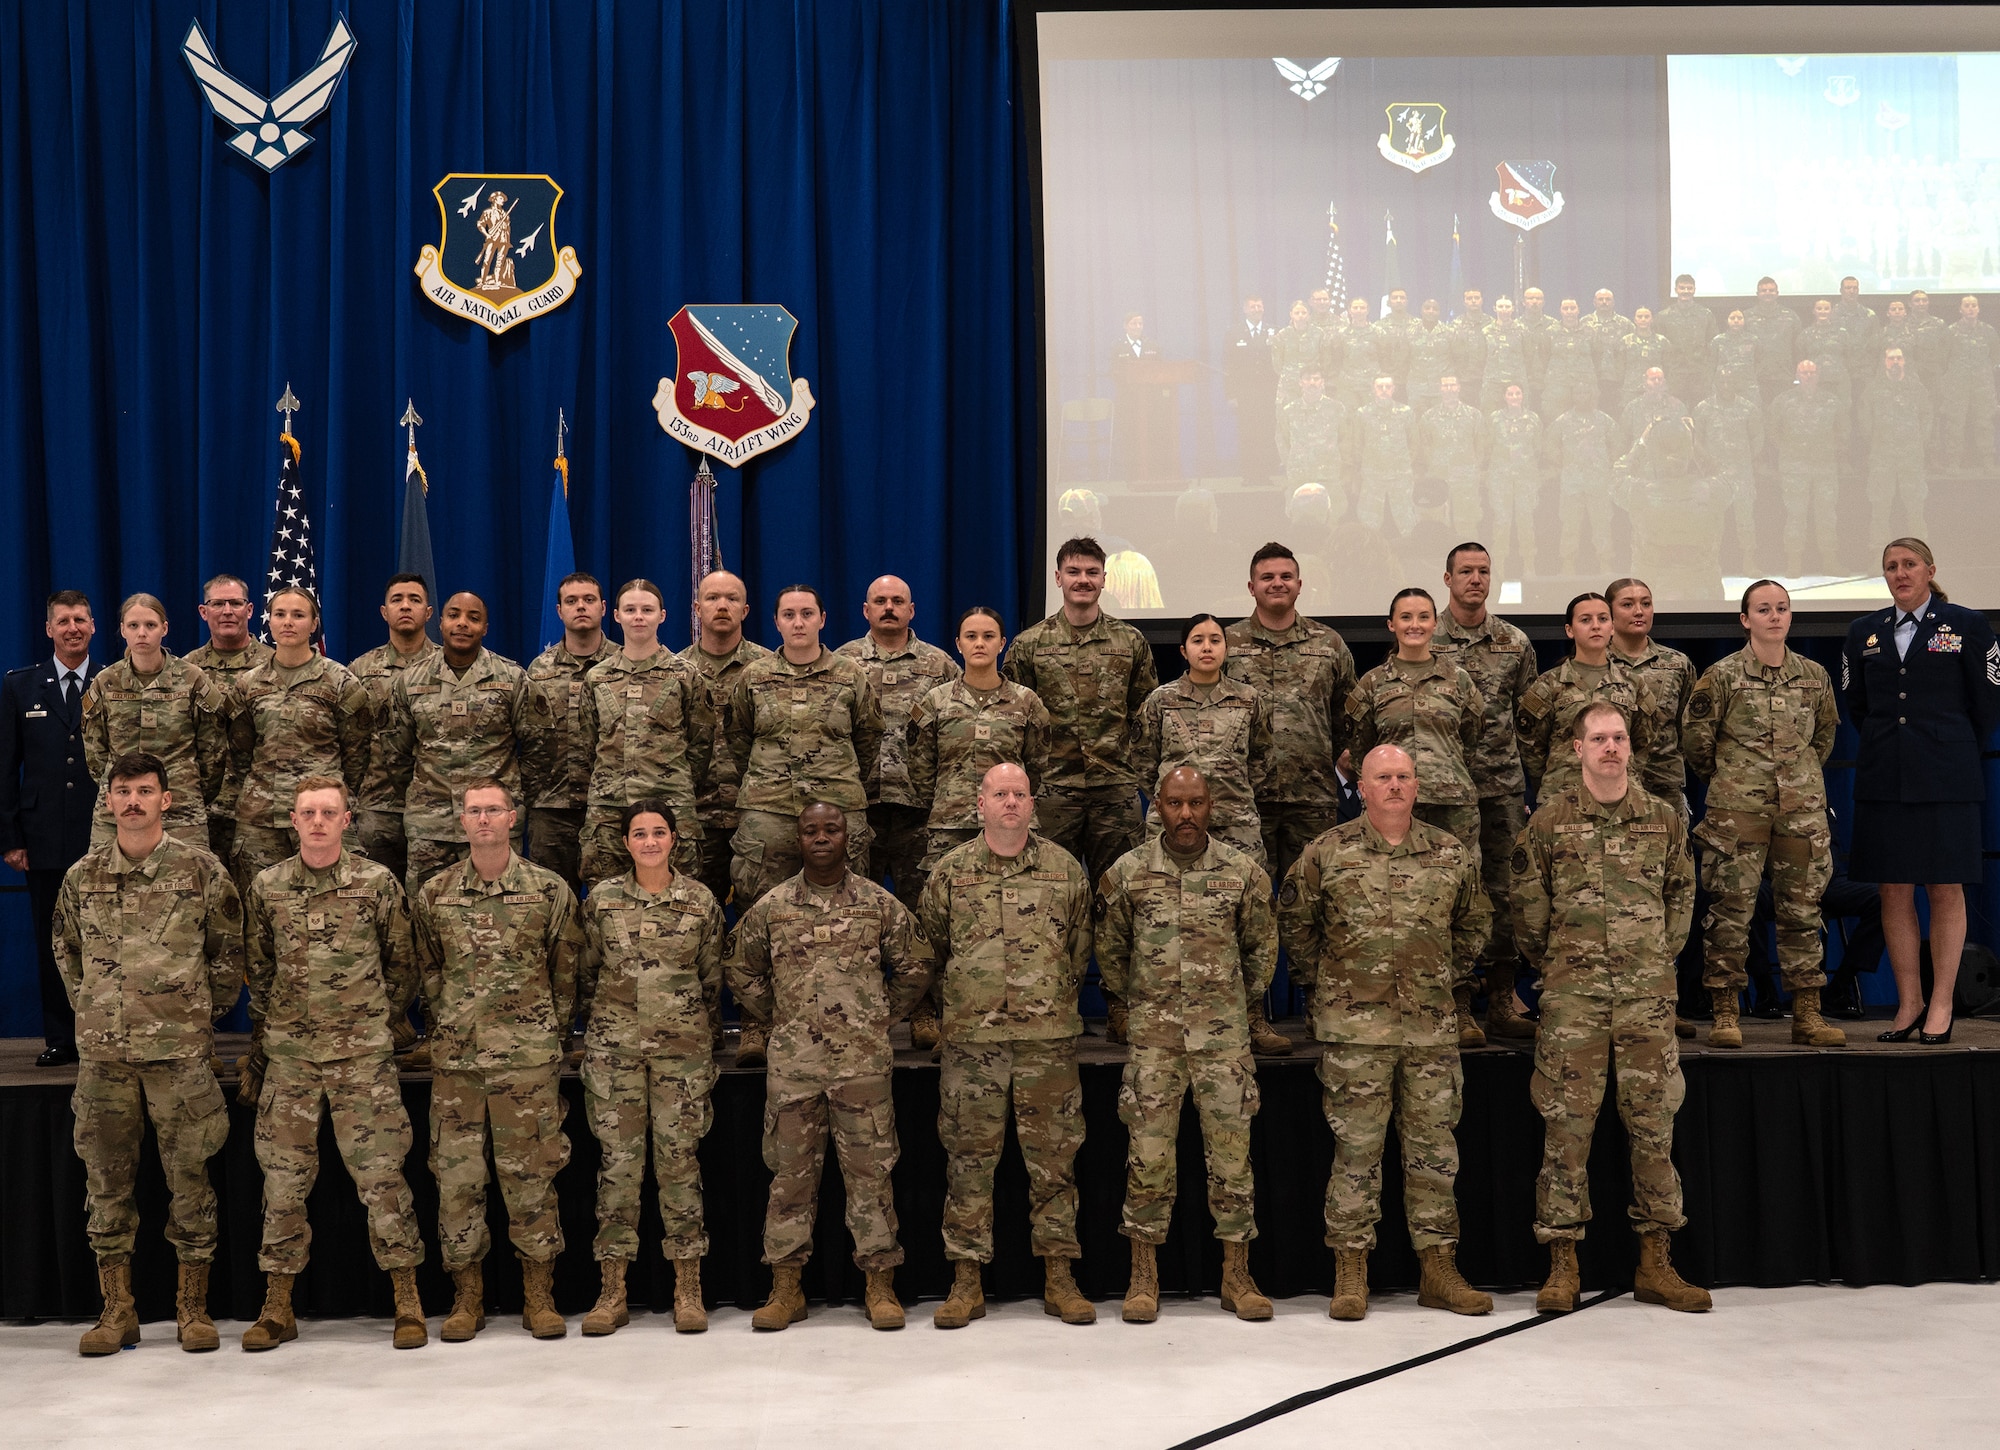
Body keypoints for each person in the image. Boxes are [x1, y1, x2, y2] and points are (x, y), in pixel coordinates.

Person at [1279, 743, 1492, 1322]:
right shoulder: (1327, 852)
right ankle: (1351, 1270)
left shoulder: (1450, 853)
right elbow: (1297, 924)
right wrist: (1326, 986)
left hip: (1429, 1030)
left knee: (1434, 1152)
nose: (1394, 786)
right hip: (1356, 1031)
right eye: (1383, 778)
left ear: (1417, 786)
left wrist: (1442, 975)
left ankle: (1439, 1268)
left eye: (1403, 777)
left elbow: (1474, 923)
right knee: (1356, 1153)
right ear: (1363, 787)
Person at [1513, 703, 1709, 1314]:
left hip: (1648, 999)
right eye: (1598, 738)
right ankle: (1562, 1263)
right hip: (1574, 998)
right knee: (1566, 1130)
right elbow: (1528, 909)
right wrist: (1562, 965)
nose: (1610, 747)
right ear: (1577, 749)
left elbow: (1681, 896)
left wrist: (1653, 957)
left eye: (1619, 737)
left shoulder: (1662, 820)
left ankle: (1656, 1262)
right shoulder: (1547, 824)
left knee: (1653, 1126)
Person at [54, 751, 243, 1354]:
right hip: (104, 1060)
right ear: (107, 801)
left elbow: (229, 952)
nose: (132, 801)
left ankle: (193, 1310)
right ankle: (118, 1311)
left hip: (180, 1059)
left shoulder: (201, 871)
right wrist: (97, 1010)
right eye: (122, 791)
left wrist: (193, 1017)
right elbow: (67, 952)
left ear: (166, 800)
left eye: (144, 790)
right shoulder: (82, 876)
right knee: (106, 1184)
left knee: (190, 1182)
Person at [239, 777, 427, 1352]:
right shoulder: (267, 887)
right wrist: (280, 1030)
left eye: (328, 812)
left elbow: (403, 965)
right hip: (292, 1059)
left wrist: (371, 1020)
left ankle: (407, 1300)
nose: (317, 821)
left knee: (384, 1180)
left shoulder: (376, 884)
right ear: (292, 822)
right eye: (307, 813)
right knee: (283, 1184)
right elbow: (259, 968)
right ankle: (277, 1307)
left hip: (362, 1059)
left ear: (348, 821)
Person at [730, 803, 934, 1332]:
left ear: (851, 836)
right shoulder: (773, 907)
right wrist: (781, 1018)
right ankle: (785, 1288)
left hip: (861, 1064)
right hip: (794, 1067)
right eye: (811, 830)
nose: (821, 838)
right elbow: (741, 969)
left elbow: (916, 964)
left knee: (871, 1177)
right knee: (789, 1180)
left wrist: (878, 1015)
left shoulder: (877, 904)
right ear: (798, 839)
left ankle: (880, 1285)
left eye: (832, 829)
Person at [1098, 766, 1277, 1324]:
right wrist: (1135, 1007)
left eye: (1196, 803)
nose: (1185, 814)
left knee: (1232, 1162)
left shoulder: (1242, 873)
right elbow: (1111, 950)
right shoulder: (1127, 874)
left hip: (1223, 1042)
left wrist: (1230, 1007)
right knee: (1148, 1159)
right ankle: (1143, 1275)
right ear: (1158, 806)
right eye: (1175, 803)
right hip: (1154, 1043)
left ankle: (1237, 1274)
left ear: (1211, 805)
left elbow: (1260, 951)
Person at [917, 764, 1094, 1329]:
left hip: (1047, 1043)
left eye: (1019, 794)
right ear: (980, 804)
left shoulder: (1065, 870)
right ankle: (966, 1281)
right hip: (974, 1043)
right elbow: (933, 949)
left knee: (1054, 1163)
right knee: (968, 1163)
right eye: (1000, 794)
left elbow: (1079, 948)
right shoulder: (949, 873)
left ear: (1032, 804)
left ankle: (1060, 1276)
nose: (1010, 802)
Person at [411, 778, 583, 1341]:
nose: (483, 819)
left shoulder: (548, 890)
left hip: (526, 1061)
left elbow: (565, 971)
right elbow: (428, 970)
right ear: (461, 822)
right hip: (458, 1063)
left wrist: (546, 1033)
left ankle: (540, 1296)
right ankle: (467, 1300)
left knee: (531, 1178)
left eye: (494, 810)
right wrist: (449, 1024)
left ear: (514, 818)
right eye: (473, 811)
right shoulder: (435, 893)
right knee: (458, 1180)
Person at [574, 800, 727, 1336]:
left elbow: (712, 980)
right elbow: (587, 972)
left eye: (658, 832)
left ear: (675, 839)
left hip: (681, 1055)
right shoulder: (603, 901)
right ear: (625, 842)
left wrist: (692, 1033)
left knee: (680, 1165)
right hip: (614, 1053)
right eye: (639, 833)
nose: (649, 842)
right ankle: (612, 1289)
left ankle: (689, 1287)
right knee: (618, 1168)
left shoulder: (700, 901)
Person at [1841, 539, 2000, 1042]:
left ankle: (1943, 1004)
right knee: (1893, 888)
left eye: (1910, 564)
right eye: (1891, 567)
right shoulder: (1863, 632)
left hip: (1947, 776)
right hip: (1885, 776)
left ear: (1930, 570)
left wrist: (1944, 745)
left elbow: (1988, 702)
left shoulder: (1967, 625)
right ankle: (1909, 1002)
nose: (1900, 573)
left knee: (1944, 887)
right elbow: (1857, 706)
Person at [1005, 536, 1158, 1041]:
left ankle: (1119, 1005)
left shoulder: (1131, 642)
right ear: (1058, 578)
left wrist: (1134, 772)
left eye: (1092, 572)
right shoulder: (1029, 645)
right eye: (1074, 571)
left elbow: (1144, 712)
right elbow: (1016, 718)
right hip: (1054, 793)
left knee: (1120, 902)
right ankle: (1056, 1004)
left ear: (1104, 579)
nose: (1083, 580)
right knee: (1051, 901)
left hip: (1115, 792)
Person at [1682, 581, 1843, 1049]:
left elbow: (1824, 738)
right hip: (1737, 813)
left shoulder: (1815, 675)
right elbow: (1697, 742)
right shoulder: (1722, 675)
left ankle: (1807, 1015)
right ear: (1744, 619)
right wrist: (1733, 778)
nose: (1775, 616)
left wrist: (1797, 779)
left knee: (1803, 911)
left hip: (1801, 812)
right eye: (1764, 609)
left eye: (1782, 608)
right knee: (1730, 912)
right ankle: (1726, 1012)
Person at [1344, 588, 1487, 1045]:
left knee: (1457, 901)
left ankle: (1459, 1002)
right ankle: (1391, 999)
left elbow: (1473, 733)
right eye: (1405, 617)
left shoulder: (1459, 680)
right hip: (1394, 806)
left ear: (1434, 623)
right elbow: (1363, 742)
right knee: (1396, 905)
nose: (1415, 624)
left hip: (1452, 806)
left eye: (1424, 616)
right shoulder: (1371, 684)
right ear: (1391, 624)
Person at [366, 591, 553, 897]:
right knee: (427, 916)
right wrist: (426, 797)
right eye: (454, 615)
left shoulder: (512, 678)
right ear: (440, 623)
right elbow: (396, 753)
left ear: (486, 628)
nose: (462, 624)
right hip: (430, 828)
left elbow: (540, 747)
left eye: (473, 618)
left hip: (492, 826)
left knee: (497, 911)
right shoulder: (410, 681)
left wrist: (511, 798)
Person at [1434, 544, 1539, 1042]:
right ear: (1448, 578)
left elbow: (1531, 720)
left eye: (1484, 572)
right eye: (1466, 572)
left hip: (1499, 788)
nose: (1476, 580)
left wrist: (1524, 783)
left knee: (1505, 892)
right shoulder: (1424, 636)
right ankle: (1454, 1000)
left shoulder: (1514, 642)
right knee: (1448, 892)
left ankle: (1501, 999)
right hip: (1442, 789)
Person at [724, 584, 882, 909]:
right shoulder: (753, 677)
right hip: (769, 812)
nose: (798, 622)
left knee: (848, 909)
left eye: (807, 614)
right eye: (789, 615)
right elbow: (738, 737)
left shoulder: (851, 675)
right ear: (776, 622)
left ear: (822, 619)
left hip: (838, 806)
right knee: (760, 906)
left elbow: (869, 737)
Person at [1, 590, 102, 1066]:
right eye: (63, 621)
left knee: (106, 939)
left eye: (80, 619)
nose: (72, 628)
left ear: (94, 626)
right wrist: (10, 838)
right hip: (40, 836)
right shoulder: (21, 686)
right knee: (52, 939)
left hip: (102, 834)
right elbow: (5, 767)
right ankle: (62, 1037)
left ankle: (103, 1036)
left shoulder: (112, 682)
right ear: (49, 629)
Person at [1224, 542, 1357, 894]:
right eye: (1267, 577)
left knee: (1313, 898)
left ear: (1299, 585)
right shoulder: (1227, 643)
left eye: (1286, 576)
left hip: (1312, 797)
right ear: (1252, 587)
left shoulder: (1329, 643)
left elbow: (1350, 713)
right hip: (1246, 799)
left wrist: (1344, 763)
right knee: (1249, 898)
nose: (1277, 583)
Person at [229, 586, 372, 895]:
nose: (288, 622)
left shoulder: (340, 681)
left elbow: (358, 752)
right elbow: (239, 751)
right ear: (269, 621)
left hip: (322, 814)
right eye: (280, 614)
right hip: (260, 819)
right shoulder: (249, 684)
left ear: (314, 623)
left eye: (298, 615)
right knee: (260, 905)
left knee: (332, 902)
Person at [573, 579, 714, 888]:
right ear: (617, 615)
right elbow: (588, 743)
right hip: (609, 811)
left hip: (670, 808)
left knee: (679, 900)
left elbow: (701, 745)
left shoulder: (685, 675)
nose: (639, 616)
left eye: (647, 610)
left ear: (662, 616)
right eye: (631, 609)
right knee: (605, 899)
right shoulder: (597, 677)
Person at [836, 574, 961, 913]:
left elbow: (955, 732)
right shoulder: (841, 663)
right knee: (858, 911)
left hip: (917, 813)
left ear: (912, 610)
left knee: (923, 910)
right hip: (860, 809)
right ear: (865, 610)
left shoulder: (941, 666)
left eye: (897, 602)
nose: (889, 608)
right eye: (880, 602)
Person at [906, 606, 1052, 880]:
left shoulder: (1026, 702)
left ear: (1002, 643)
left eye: (988, 636)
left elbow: (1036, 764)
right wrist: (948, 797)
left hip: (1010, 823)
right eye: (971, 637)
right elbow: (920, 765)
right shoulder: (935, 701)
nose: (980, 644)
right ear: (959, 644)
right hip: (951, 823)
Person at [80, 594, 233, 851]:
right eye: (133, 626)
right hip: (118, 810)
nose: (142, 633)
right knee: (110, 884)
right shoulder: (106, 681)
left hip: (181, 808)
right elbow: (95, 752)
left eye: (150, 625)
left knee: (188, 885)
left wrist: (185, 787)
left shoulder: (192, 679)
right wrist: (121, 787)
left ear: (164, 628)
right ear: (122, 630)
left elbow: (213, 751)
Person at [1133, 614, 1272, 868]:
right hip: (1173, 823)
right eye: (1198, 640)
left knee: (1245, 892)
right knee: (1165, 892)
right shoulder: (1161, 699)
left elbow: (1261, 758)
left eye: (1215, 640)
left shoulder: (1248, 698)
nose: (1207, 647)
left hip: (1235, 820)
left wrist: (1231, 790)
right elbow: (1144, 761)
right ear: (1184, 651)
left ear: (1226, 649)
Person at [677, 570, 772, 908]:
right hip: (695, 819)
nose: (722, 606)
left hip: (756, 816)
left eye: (732, 599)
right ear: (697, 608)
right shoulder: (674, 670)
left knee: (757, 916)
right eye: (713, 598)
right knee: (694, 914)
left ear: (745, 611)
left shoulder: (770, 668)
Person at [1516, 593, 1660, 804]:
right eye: (1585, 620)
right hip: (1562, 799)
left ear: (1612, 627)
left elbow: (1643, 742)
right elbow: (1531, 746)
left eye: (1603, 619)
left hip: (1620, 797)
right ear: (1569, 630)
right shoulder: (1548, 685)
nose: (1595, 626)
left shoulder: (1633, 684)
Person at [522, 572, 614, 897]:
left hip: (608, 807)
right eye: (571, 601)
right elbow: (526, 738)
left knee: (611, 904)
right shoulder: (538, 670)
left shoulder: (623, 665)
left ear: (603, 608)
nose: (581, 607)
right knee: (552, 904)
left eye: (589, 600)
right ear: (559, 611)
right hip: (551, 808)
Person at [348, 575, 441, 885]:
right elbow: (347, 739)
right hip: (378, 807)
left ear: (428, 613)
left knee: (429, 900)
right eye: (397, 599)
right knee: (375, 896)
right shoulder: (359, 671)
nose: (405, 606)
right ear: (384, 612)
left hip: (436, 809)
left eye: (414, 600)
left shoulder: (447, 666)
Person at [185, 573, 274, 867]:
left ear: (249, 610)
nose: (227, 611)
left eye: (235, 603)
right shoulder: (185, 671)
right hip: (200, 810)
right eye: (218, 603)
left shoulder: (274, 665)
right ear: (203, 611)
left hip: (260, 810)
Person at [1606, 578, 1696, 814]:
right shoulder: (1596, 662)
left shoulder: (1677, 664)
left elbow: (1689, 727)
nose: (1639, 611)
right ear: (1610, 613)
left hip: (1664, 785)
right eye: (1627, 605)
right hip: (1607, 785)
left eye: (1646, 604)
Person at [1768, 359, 1849, 576]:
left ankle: (1830, 562)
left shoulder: (1832, 401)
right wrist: (1790, 450)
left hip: (1825, 466)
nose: (1808, 376)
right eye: (1804, 373)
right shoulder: (1783, 401)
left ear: (1819, 375)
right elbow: (1773, 431)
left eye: (1812, 372)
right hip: (1794, 467)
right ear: (1797, 375)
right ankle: (1794, 563)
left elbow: (1843, 431)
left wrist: (1829, 450)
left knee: (1827, 514)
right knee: (1795, 514)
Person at [1856, 345, 1936, 544]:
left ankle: (1919, 559)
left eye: (1899, 358)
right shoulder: (1873, 388)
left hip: (1911, 456)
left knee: (1915, 508)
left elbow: (1927, 415)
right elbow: (1864, 418)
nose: (1895, 362)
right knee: (1880, 508)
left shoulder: (1916, 387)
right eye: (1891, 359)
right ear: (1884, 362)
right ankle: (1878, 555)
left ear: (1904, 362)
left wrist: (1919, 439)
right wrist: (1876, 438)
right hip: (1882, 456)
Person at [1544, 384, 1620, 576]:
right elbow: (1550, 444)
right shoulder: (1564, 421)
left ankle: (1605, 563)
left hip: (1598, 482)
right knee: (1570, 524)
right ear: (1573, 396)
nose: (1582, 396)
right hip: (1572, 483)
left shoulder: (1604, 420)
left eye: (1586, 392)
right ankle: (1567, 564)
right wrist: (1564, 463)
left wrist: (1608, 464)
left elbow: (1618, 443)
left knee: (1602, 523)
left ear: (1592, 395)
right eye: (1578, 392)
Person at [1694, 372, 1765, 566]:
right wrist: (1706, 461)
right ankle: (1710, 563)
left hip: (1742, 473)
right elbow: (1695, 438)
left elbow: (1758, 437)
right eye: (1721, 381)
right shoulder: (1704, 408)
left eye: (1730, 381)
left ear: (1736, 383)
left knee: (1745, 519)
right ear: (1715, 383)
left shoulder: (1748, 408)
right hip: (1714, 475)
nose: (1725, 384)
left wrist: (1747, 458)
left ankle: (1749, 562)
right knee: (1713, 520)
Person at [1418, 375, 1489, 533]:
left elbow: (1481, 447)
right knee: (1439, 524)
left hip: (1466, 480)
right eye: (1445, 386)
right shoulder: (1429, 417)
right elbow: (1425, 446)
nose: (1449, 389)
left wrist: (1471, 469)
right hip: (1439, 479)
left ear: (1459, 387)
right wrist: (1436, 467)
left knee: (1467, 524)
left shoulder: (1474, 415)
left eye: (1452, 385)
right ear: (1440, 389)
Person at [1486, 383, 1543, 576]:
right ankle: (1499, 567)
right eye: (1510, 393)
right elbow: (1488, 445)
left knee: (1526, 522)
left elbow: (1538, 448)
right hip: (1500, 479)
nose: (1514, 396)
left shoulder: (1533, 419)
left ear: (1523, 396)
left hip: (1525, 480)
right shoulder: (1494, 419)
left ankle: (1529, 565)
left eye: (1517, 393)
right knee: (1501, 523)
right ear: (1504, 397)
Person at [1277, 369, 1352, 513]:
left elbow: (1345, 438)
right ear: (1300, 383)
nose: (1312, 382)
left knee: (1333, 514)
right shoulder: (1289, 410)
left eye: (1316, 379)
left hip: (1328, 473)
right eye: (1307, 379)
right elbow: (1283, 439)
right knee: (1297, 516)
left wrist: (1344, 465)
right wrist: (1290, 462)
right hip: (1299, 473)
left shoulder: (1336, 408)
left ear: (1322, 382)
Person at [1354, 376, 1421, 536]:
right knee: (1369, 521)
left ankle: (1410, 553)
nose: (1384, 390)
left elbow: (1414, 443)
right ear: (1373, 389)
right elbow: (1357, 445)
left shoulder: (1406, 412)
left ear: (1393, 389)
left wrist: (1403, 464)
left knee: (1407, 519)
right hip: (1372, 476)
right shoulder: (1362, 414)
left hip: (1400, 476)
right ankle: (1368, 553)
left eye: (1387, 387)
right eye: (1380, 387)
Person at [1224, 295, 1279, 483]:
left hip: (1267, 393)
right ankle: (1248, 475)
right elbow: (1228, 366)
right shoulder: (1234, 333)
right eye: (1253, 306)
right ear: (1245, 309)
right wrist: (1231, 394)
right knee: (1247, 434)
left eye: (1260, 306)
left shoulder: (1274, 331)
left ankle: (1264, 475)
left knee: (1266, 434)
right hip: (1244, 394)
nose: (1257, 309)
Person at [1658, 274, 1719, 405]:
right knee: (1675, 413)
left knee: (1699, 412)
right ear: (1676, 290)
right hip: (1674, 375)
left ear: (1694, 290)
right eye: (1682, 288)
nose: (1686, 291)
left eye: (1689, 288)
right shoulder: (1664, 316)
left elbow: (1713, 345)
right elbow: (1659, 347)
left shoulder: (1705, 315)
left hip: (1699, 375)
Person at [1744, 277, 1802, 405]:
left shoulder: (1790, 316)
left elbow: (1799, 347)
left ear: (1777, 293)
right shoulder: (1746, 317)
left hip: (1784, 376)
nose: (1768, 293)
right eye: (1763, 290)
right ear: (1757, 294)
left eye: (1771, 290)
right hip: (1756, 378)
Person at [1540, 298, 1597, 425]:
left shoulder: (1590, 331)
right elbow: (1544, 357)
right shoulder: (1551, 332)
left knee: (1586, 423)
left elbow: (1597, 355)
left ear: (1578, 310)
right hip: (1558, 386)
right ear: (1560, 311)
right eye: (1566, 308)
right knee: (1555, 422)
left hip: (1584, 385)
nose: (1569, 312)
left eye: (1573, 308)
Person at [1582, 289, 1633, 406]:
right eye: (1600, 299)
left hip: (1617, 380)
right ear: (1594, 302)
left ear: (1613, 302)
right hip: (1592, 380)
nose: (1604, 302)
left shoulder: (1625, 324)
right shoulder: (1584, 323)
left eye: (1608, 299)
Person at [1616, 307, 1671, 409]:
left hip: (1655, 388)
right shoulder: (1626, 341)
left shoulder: (1662, 341)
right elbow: (1620, 367)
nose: (1643, 319)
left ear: (1652, 319)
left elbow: (1667, 366)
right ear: (1635, 320)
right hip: (1631, 389)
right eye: (1640, 317)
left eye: (1646, 316)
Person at [1270, 300, 1321, 407]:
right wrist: (1290, 373)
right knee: (1286, 416)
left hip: (1312, 382)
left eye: (1304, 313)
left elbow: (1325, 358)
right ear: (1291, 315)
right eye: (1297, 313)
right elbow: (1277, 361)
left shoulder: (1318, 333)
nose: (1300, 316)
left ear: (1309, 315)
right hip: (1289, 384)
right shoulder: (1282, 335)